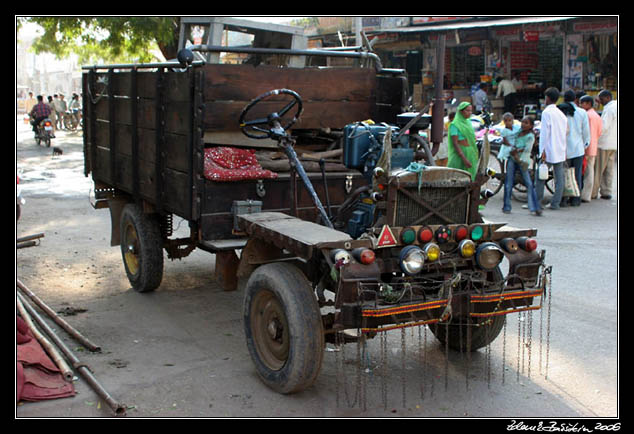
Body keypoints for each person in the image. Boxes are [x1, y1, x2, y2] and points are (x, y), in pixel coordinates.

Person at [502, 116, 541, 216]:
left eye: (526, 123)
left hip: (522, 160)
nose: (523, 124)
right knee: (508, 183)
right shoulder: (518, 132)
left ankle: (534, 206)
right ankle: (506, 206)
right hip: (512, 158)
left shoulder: (530, 136)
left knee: (528, 183)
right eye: (523, 122)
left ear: (531, 126)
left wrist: (516, 151)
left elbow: (527, 149)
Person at [536, 87, 568, 210]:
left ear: (547, 98)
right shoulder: (561, 114)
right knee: (559, 178)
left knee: (540, 177)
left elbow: (544, 134)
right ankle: (555, 203)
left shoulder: (546, 113)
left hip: (548, 150)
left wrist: (542, 150)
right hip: (560, 149)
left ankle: (537, 202)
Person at [560, 90, 590, 207]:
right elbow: (586, 132)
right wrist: (586, 144)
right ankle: (576, 199)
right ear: (575, 99)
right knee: (577, 174)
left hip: (563, 148)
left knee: (563, 174)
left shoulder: (560, 110)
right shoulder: (582, 112)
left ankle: (563, 198)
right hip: (578, 148)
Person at [592, 90, 617, 200]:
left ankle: (593, 192)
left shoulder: (609, 109)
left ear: (607, 98)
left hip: (604, 143)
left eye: (601, 99)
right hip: (614, 143)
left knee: (598, 170)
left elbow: (604, 127)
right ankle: (607, 191)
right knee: (609, 169)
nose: (600, 102)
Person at [579, 95, 602, 202]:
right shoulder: (597, 116)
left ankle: (585, 195)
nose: (580, 106)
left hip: (587, 147)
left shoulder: (587, 115)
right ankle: (587, 194)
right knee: (590, 170)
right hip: (593, 146)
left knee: (587, 172)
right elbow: (599, 132)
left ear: (588, 104)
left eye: (582, 103)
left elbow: (585, 132)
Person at [447, 101, 479, 180]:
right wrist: (464, 158)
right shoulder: (454, 125)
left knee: (471, 177)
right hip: (460, 155)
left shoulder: (468, 123)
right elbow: (455, 143)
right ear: (461, 111)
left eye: (471, 111)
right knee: (457, 178)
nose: (469, 113)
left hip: (470, 152)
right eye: (467, 111)